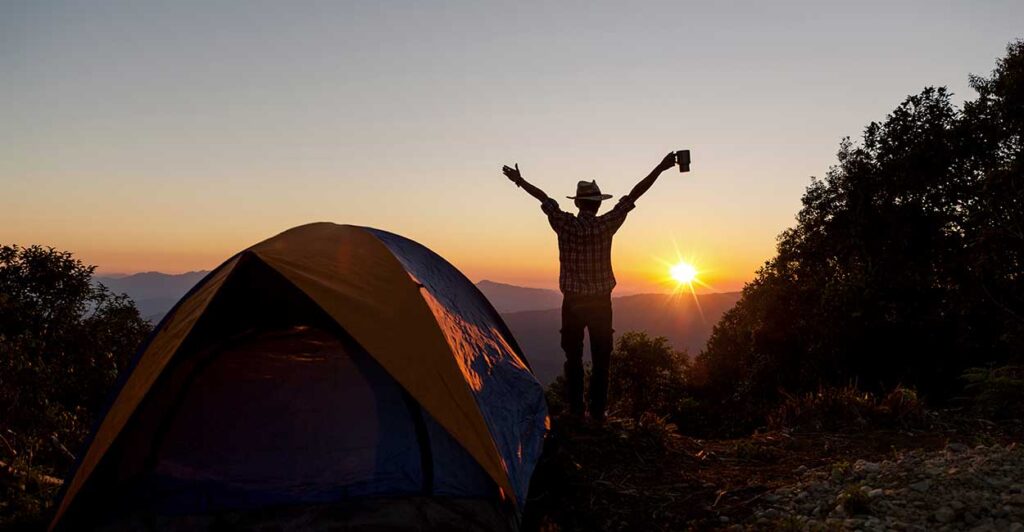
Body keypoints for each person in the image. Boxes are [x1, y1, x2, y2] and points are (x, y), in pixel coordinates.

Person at [502, 152, 677, 422]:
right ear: (596, 205)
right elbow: (634, 195)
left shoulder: (564, 224)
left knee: (573, 359)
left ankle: (575, 411)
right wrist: (661, 167)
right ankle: (596, 414)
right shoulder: (606, 225)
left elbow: (543, 198)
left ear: (578, 203)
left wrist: (520, 180)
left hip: (571, 303)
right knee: (601, 361)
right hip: (600, 304)